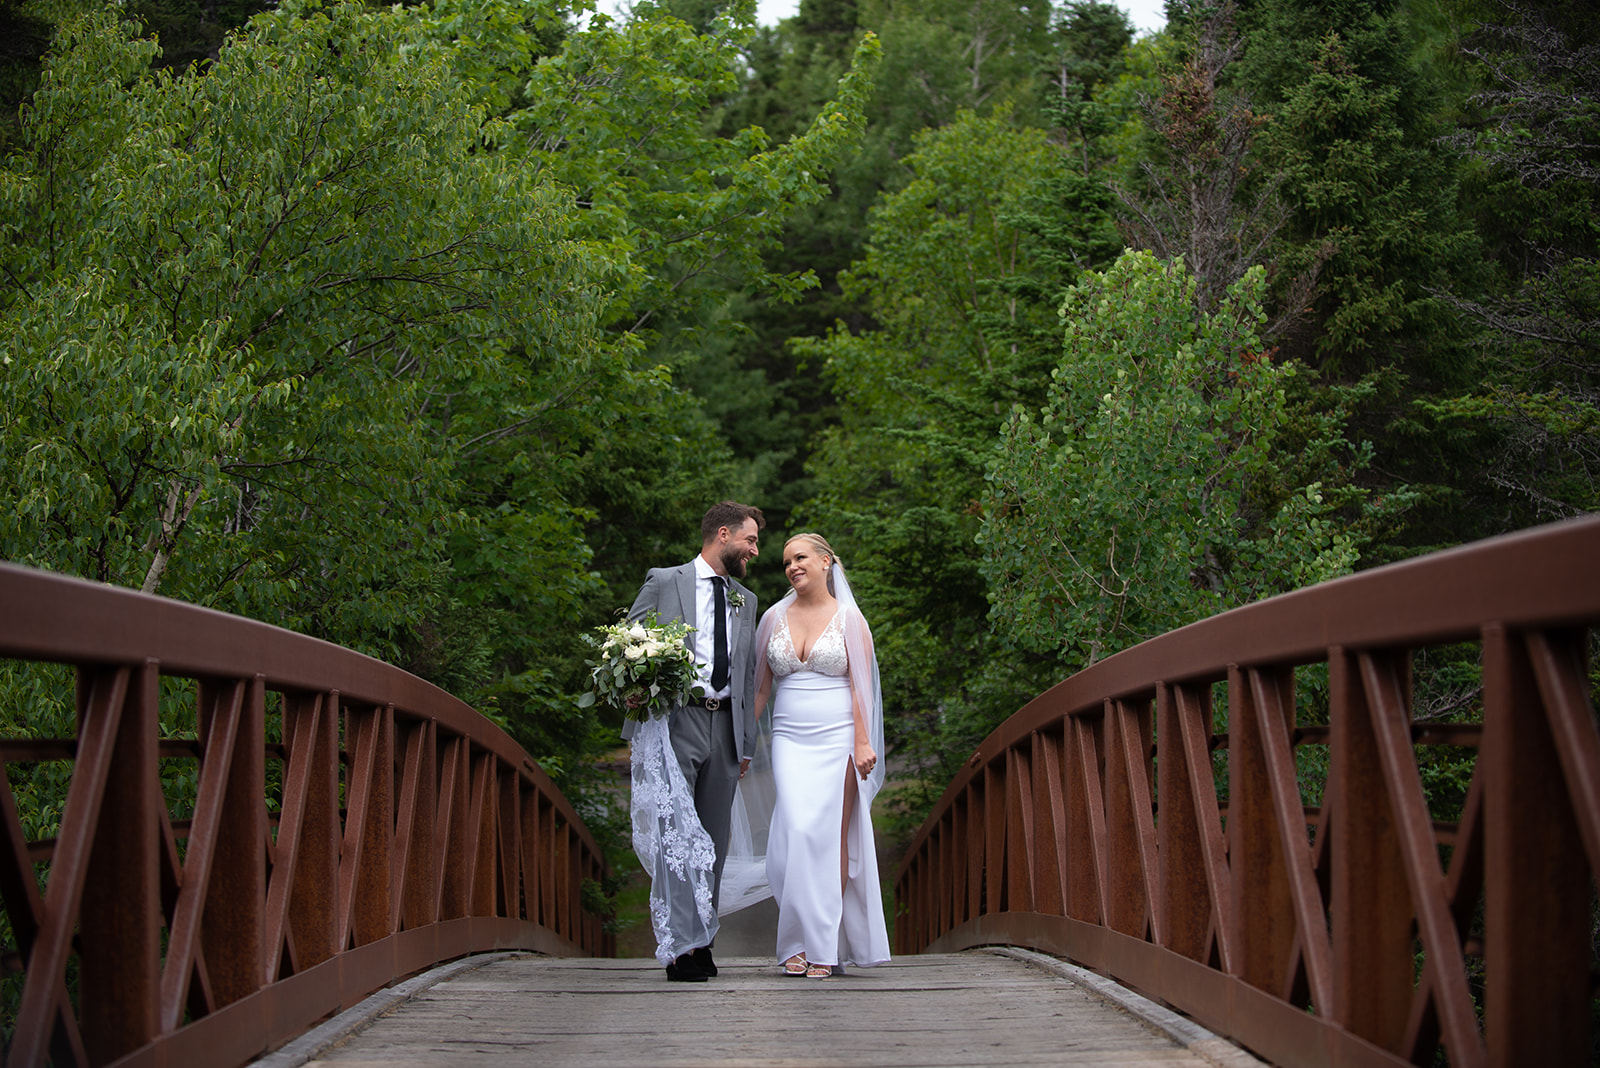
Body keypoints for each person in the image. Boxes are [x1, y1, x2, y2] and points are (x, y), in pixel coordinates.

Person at [626, 500, 763, 982]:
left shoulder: (746, 601)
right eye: (750, 540)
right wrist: (639, 691)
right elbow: (628, 642)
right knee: (674, 836)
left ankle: (704, 941)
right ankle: (679, 948)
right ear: (722, 534)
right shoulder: (665, 581)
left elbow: (745, 678)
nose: (755, 551)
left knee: (713, 840)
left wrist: (745, 744)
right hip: (674, 720)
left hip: (723, 728)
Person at [752, 533, 890, 978]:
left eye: (801, 558)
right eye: (786, 561)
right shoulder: (772, 617)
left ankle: (822, 947)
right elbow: (759, 690)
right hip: (789, 737)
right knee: (795, 832)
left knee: (827, 839)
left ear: (826, 561)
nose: (792, 566)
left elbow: (860, 688)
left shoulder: (850, 618)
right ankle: (794, 939)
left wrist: (863, 742)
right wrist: (737, 744)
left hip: (839, 737)